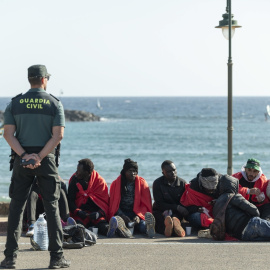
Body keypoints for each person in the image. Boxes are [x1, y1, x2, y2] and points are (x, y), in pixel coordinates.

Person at [2, 65, 70, 269]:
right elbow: (58, 135)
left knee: (16, 208)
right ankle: (56, 258)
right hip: (46, 159)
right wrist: (39, 157)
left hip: (21, 160)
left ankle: (10, 258)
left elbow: (8, 134)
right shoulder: (54, 104)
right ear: (43, 80)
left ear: (29, 79)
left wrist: (24, 155)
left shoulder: (14, 103)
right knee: (52, 207)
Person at [108, 158, 155, 238]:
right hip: (122, 213)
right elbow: (113, 204)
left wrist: (139, 216)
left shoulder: (142, 183)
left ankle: (148, 229)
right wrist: (121, 215)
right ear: (125, 171)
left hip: (136, 213)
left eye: (134, 171)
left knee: (142, 225)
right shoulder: (116, 183)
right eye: (130, 171)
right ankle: (123, 231)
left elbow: (145, 204)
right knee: (118, 222)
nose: (133, 173)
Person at [67, 158, 110, 237]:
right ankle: (84, 230)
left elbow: (105, 203)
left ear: (87, 173)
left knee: (103, 226)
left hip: (95, 213)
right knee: (78, 226)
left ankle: (110, 230)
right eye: (77, 169)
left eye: (79, 171)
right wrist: (78, 211)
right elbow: (70, 201)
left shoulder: (100, 182)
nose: (76, 172)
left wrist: (98, 214)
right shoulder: (74, 180)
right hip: (81, 213)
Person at [152, 160, 188, 237]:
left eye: (174, 170)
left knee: (175, 217)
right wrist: (176, 207)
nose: (173, 173)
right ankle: (170, 227)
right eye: (169, 171)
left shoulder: (182, 183)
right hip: (161, 210)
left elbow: (184, 202)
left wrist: (178, 208)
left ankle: (176, 225)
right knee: (162, 220)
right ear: (163, 173)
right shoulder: (157, 183)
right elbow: (159, 204)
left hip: (176, 212)